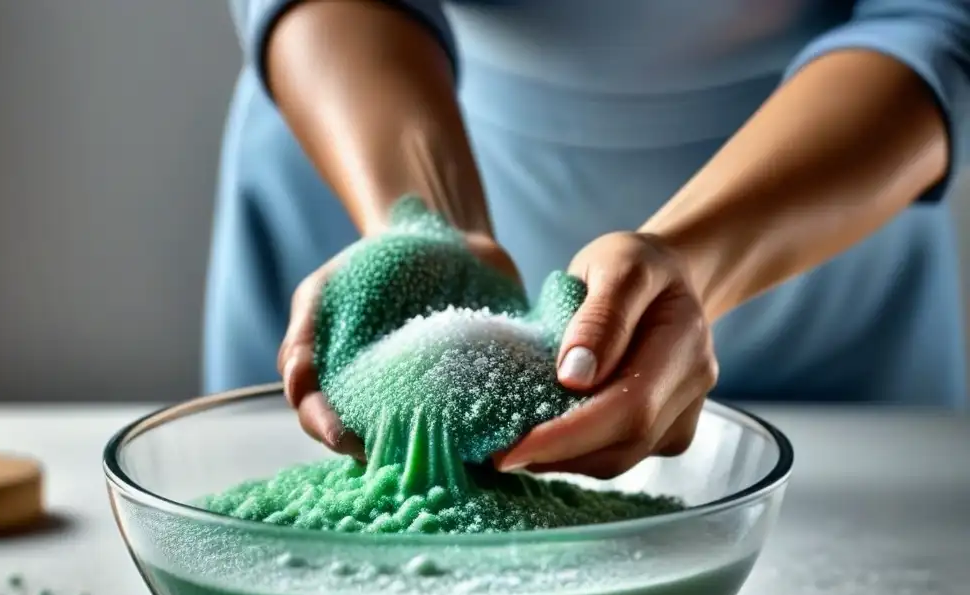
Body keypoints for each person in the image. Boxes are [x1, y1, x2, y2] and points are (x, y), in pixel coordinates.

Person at [208, 0, 969, 478]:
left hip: (817, 216)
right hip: (372, 131)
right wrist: (426, 220)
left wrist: (692, 259)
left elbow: (935, 20)